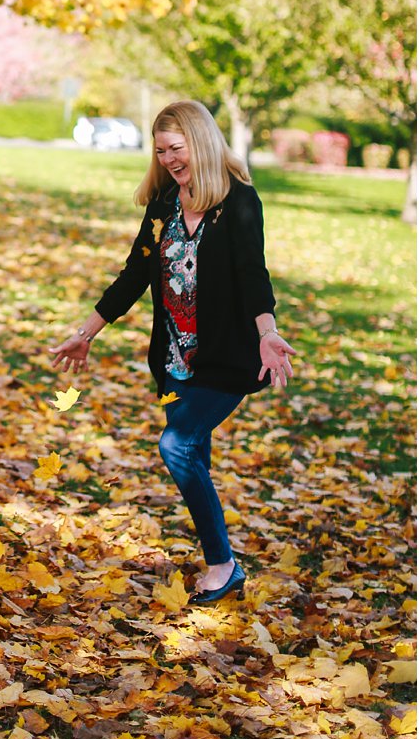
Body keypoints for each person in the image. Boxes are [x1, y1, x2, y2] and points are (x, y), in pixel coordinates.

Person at [49, 100, 297, 604]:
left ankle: (223, 565)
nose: (168, 159)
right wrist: (87, 332)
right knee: (194, 451)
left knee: (176, 446)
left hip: (227, 360)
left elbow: (254, 276)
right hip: (175, 361)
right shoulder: (163, 204)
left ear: (200, 142)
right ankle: (218, 559)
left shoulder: (239, 201)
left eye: (176, 148)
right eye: (160, 151)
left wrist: (267, 332)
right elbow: (135, 275)